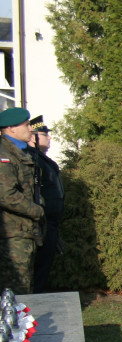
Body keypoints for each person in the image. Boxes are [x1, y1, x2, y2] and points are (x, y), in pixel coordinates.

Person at [0, 107, 45, 295]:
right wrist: (37, 211)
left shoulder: (20, 152)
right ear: (11, 128)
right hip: (11, 234)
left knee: (25, 289)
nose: (30, 129)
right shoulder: (4, 154)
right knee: (16, 293)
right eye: (26, 125)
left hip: (24, 231)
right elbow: (6, 194)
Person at [25, 115, 64, 292]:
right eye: (45, 134)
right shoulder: (30, 158)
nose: (49, 137)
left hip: (50, 223)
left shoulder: (41, 158)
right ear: (33, 136)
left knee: (43, 270)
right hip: (40, 223)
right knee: (37, 272)